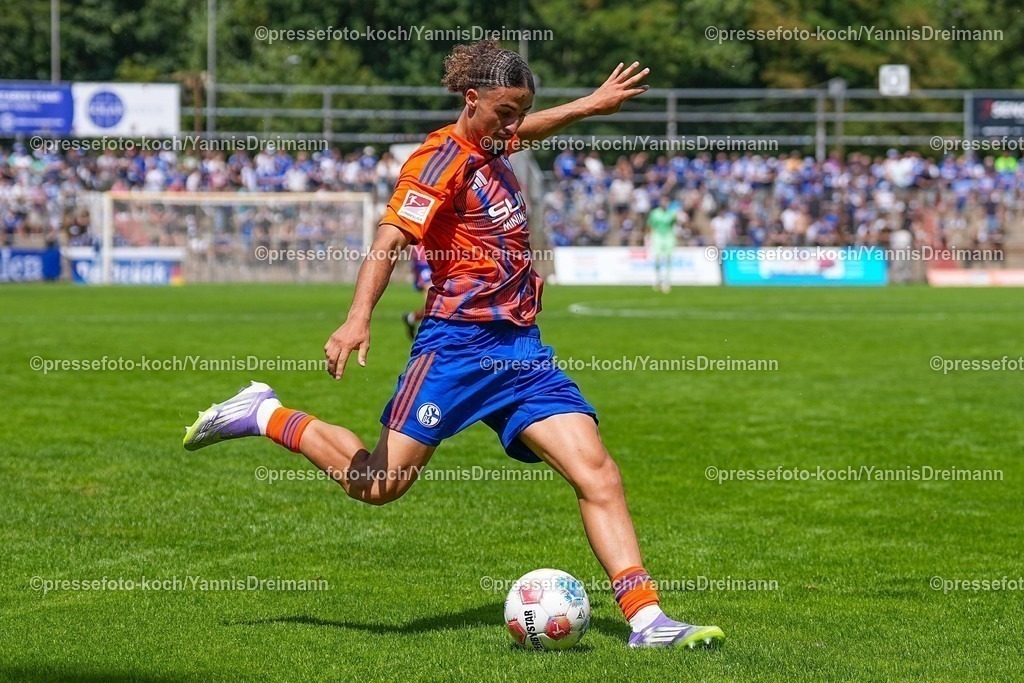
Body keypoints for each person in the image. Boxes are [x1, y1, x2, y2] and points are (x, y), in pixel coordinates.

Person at [182, 39, 724, 650]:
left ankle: (646, 620)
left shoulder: (495, 137)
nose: (514, 127)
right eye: (505, 113)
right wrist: (357, 317)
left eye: (520, 114)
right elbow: (389, 240)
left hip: (521, 352)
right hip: (456, 350)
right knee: (377, 486)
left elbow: (530, 126)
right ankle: (265, 412)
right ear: (473, 101)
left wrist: (590, 106)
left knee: (597, 470)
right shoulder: (437, 160)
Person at [647, 195, 677, 293]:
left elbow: (673, 225)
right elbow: (650, 225)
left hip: (668, 236)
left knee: (668, 258)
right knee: (657, 257)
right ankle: (657, 279)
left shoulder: (672, 214)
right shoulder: (655, 213)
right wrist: (648, 237)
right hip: (657, 235)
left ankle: (666, 281)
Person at [402, 244, 431, 339]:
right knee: (432, 298)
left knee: (436, 302)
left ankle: (411, 317)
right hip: (423, 263)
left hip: (438, 261)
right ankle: (428, 334)